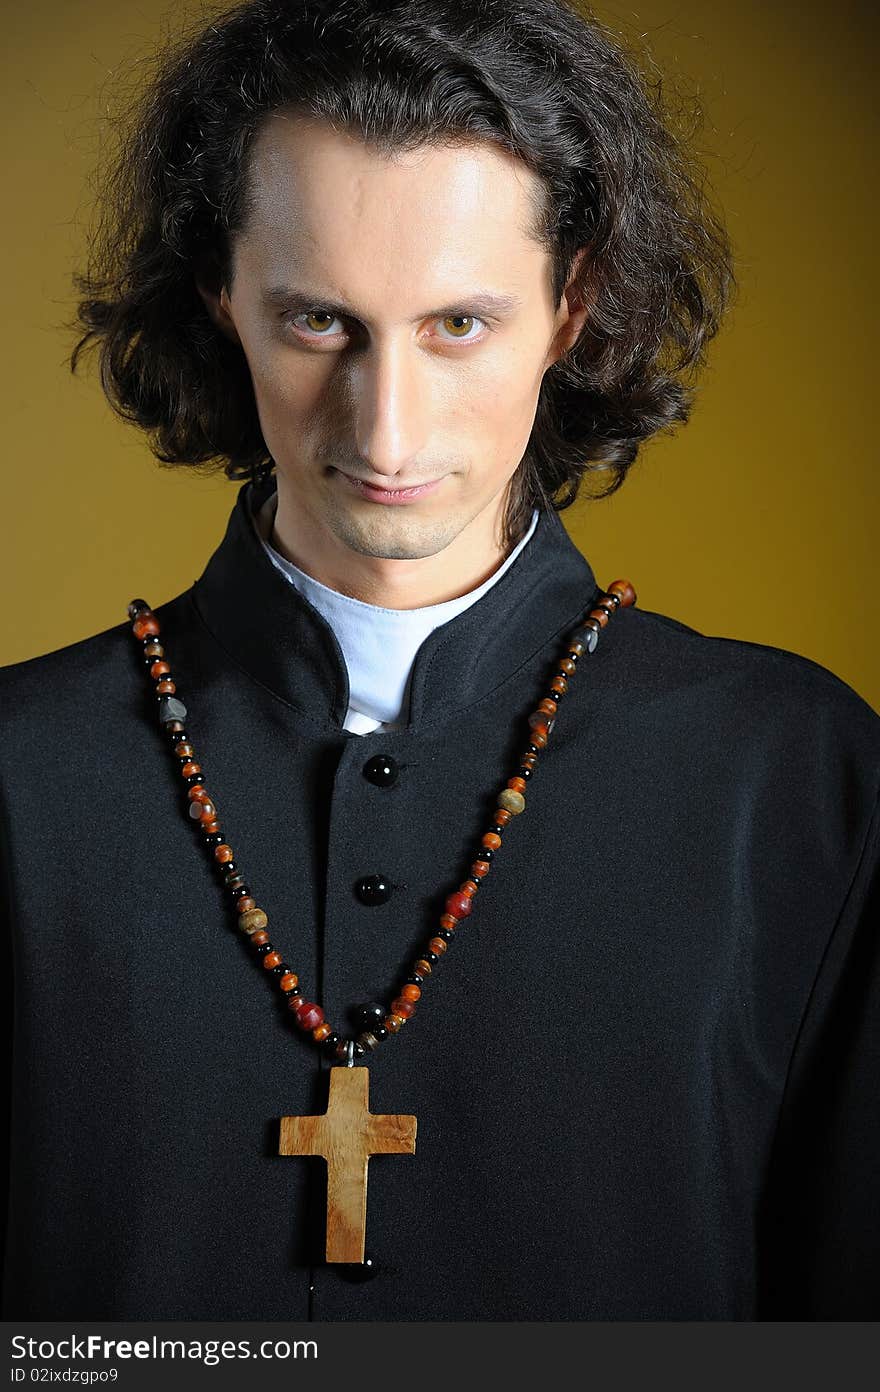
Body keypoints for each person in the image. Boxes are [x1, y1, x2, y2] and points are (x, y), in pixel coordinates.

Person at [1, 0, 878, 1322]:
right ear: (219, 296)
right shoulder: (19, 770)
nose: (387, 428)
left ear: (572, 304)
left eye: (457, 325)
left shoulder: (799, 773)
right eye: (317, 323)